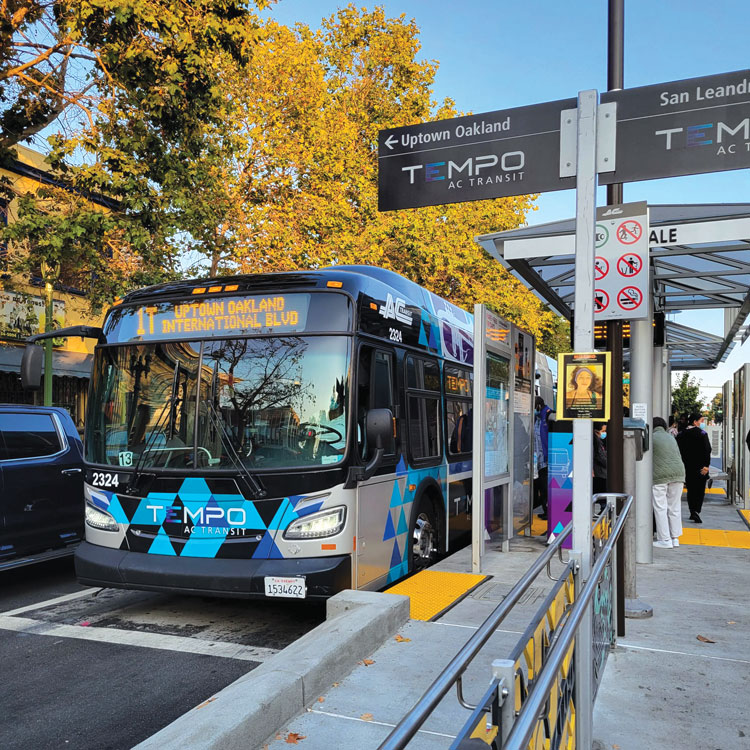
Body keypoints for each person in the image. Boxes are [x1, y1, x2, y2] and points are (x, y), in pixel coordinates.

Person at [651, 416, 686, 548]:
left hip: (660, 475)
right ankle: (675, 538)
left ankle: (664, 539)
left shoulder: (651, 438)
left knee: (660, 507)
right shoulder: (671, 437)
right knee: (674, 507)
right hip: (679, 473)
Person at [676, 412, 711, 523]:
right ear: (695, 422)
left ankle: (692, 510)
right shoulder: (702, 434)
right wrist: (706, 466)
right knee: (700, 490)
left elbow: (678, 451)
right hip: (701, 467)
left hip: (686, 467)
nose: (702, 423)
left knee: (690, 489)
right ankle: (696, 510)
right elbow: (707, 450)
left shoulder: (681, 434)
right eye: (701, 421)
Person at [533, 396, 552, 520]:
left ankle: (548, 511)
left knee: (545, 486)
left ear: (539, 406)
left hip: (546, 458)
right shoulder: (537, 418)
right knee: (541, 485)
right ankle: (546, 510)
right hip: (539, 458)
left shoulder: (548, 415)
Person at [593, 422, 607, 510]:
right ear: (596, 431)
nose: (604, 433)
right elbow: (600, 456)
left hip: (599, 471)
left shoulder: (598, 440)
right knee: (601, 494)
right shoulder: (596, 441)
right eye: (603, 431)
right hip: (599, 472)